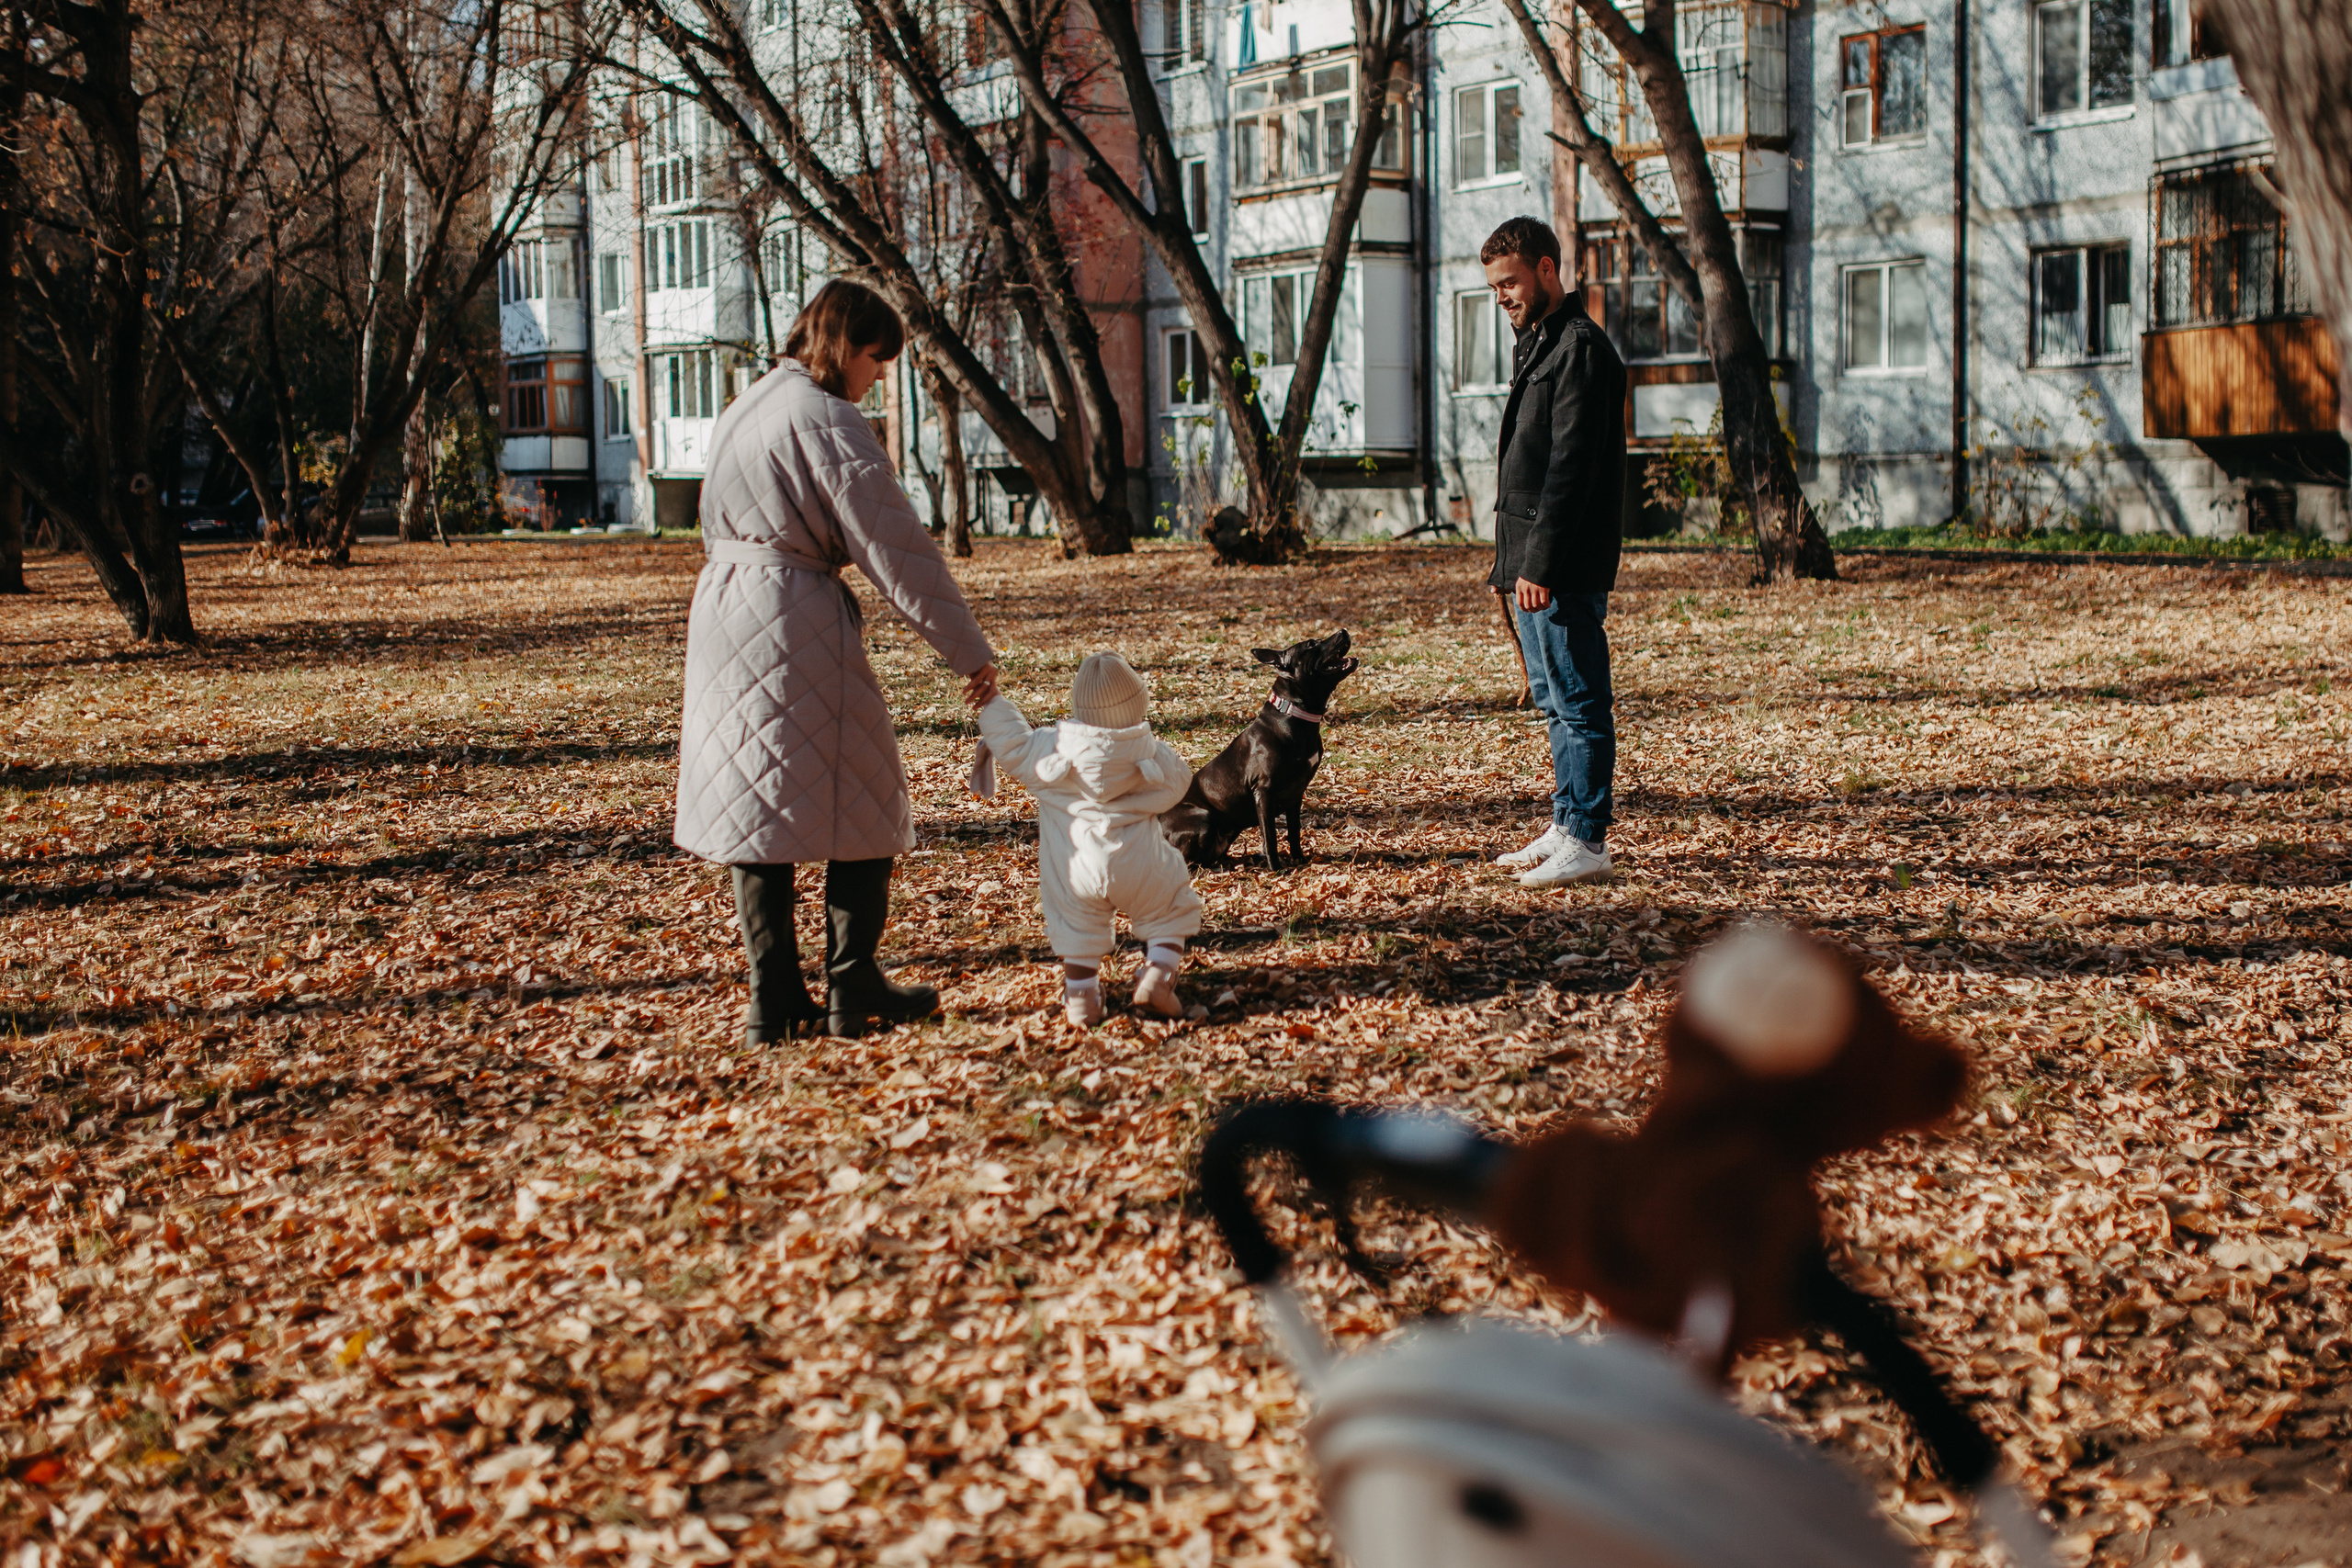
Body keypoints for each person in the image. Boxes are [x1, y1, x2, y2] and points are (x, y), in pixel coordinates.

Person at [673, 279, 1000, 1040]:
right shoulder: (828, 419)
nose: (877, 378)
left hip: (723, 611)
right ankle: (852, 987)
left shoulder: (744, 406)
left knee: (754, 804)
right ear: (847, 345)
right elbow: (896, 548)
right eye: (877, 362)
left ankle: (773, 998)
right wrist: (967, 651)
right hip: (794, 616)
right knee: (868, 795)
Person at [1479, 216, 1628, 888]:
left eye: (1510, 281)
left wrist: (1538, 565)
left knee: (1579, 699)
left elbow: (1572, 469)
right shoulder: (1536, 343)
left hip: (1560, 566)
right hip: (1530, 565)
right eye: (1494, 287)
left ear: (1546, 269)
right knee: (1552, 699)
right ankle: (1568, 823)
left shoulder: (1581, 349)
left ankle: (1590, 840)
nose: (1502, 296)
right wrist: (1510, 568)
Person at [972, 652, 1204, 1027]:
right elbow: (1180, 783)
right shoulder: (1148, 752)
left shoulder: (1051, 747)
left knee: (1076, 926)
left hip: (1075, 867)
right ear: (1138, 704)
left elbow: (1012, 743)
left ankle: (1081, 997)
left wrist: (993, 702)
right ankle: (1159, 975)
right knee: (1169, 909)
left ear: (1080, 708)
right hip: (1140, 864)